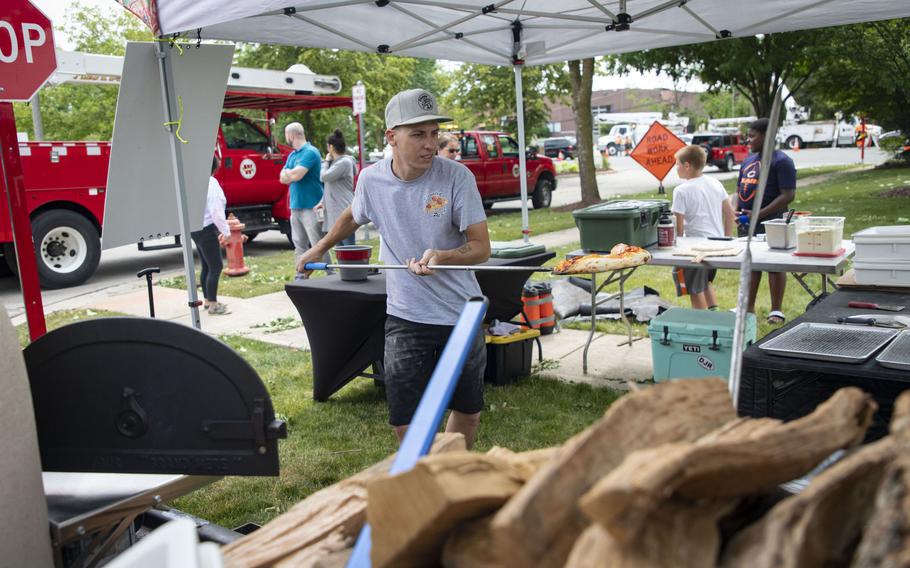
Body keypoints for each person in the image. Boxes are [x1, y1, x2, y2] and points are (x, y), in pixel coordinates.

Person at [297, 88, 490, 449]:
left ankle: (450, 479)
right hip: (406, 315)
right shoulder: (371, 179)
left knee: (467, 409)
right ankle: (432, 474)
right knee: (404, 419)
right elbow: (354, 215)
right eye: (418, 134)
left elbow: (481, 247)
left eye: (434, 133)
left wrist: (443, 256)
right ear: (391, 137)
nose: (430, 144)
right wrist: (317, 248)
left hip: (461, 315)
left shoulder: (456, 177)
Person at [736, 117, 797, 324]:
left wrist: (759, 214)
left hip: (772, 222)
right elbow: (741, 188)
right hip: (747, 222)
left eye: (752, 136)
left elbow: (788, 195)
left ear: (767, 136)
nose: (748, 140)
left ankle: (776, 310)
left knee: (774, 264)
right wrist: (738, 212)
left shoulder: (782, 161)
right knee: (750, 263)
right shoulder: (748, 160)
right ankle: (748, 308)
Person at [671, 145, 735, 310]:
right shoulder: (715, 183)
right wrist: (726, 239)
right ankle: (714, 312)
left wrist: (677, 245)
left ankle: (703, 322)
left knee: (695, 289)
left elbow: (679, 228)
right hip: (717, 244)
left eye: (677, 164)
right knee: (706, 281)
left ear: (687, 166)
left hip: (695, 247)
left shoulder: (681, 190)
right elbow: (729, 213)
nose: (675, 168)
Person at [280, 122, 330, 277]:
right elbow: (282, 178)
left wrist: (289, 173)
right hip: (295, 206)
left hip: (311, 206)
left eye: (286, 136)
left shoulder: (311, 152)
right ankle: (301, 274)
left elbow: (296, 175)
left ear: (291, 135)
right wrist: (290, 173)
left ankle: (331, 274)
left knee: (318, 244)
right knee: (299, 243)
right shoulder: (292, 155)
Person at [191, 155, 231, 315]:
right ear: (215, 165)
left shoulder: (197, 182)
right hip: (207, 228)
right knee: (216, 266)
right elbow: (216, 211)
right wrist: (226, 232)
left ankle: (208, 300)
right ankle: (214, 305)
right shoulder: (212, 184)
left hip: (195, 228)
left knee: (206, 265)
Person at [319, 129, 357, 246]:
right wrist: (322, 201)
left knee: (348, 249)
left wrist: (326, 161)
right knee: (339, 250)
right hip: (335, 212)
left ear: (330, 147)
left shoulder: (344, 162)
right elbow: (331, 186)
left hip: (343, 211)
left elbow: (324, 177)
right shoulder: (337, 163)